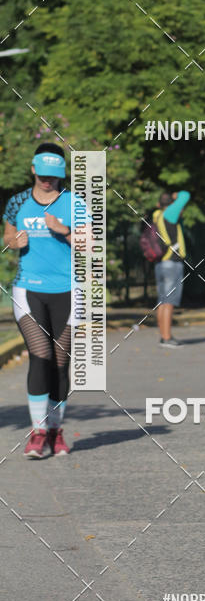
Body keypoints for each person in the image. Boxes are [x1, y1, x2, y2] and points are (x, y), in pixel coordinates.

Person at [2, 143, 85, 457]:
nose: (48, 180)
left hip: (67, 289)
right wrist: (13, 240)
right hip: (28, 288)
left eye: (54, 175)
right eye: (44, 174)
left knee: (60, 363)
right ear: (33, 169)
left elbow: (88, 244)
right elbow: (7, 235)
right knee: (40, 356)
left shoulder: (73, 202)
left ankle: (56, 430)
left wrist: (62, 229)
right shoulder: (18, 202)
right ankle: (38, 433)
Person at [153, 190, 190, 348]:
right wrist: (176, 195)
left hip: (161, 263)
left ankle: (164, 336)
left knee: (162, 302)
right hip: (171, 263)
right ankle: (167, 338)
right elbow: (185, 195)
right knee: (169, 302)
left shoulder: (157, 216)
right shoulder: (170, 213)